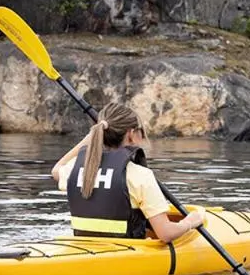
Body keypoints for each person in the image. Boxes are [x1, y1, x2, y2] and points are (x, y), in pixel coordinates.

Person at [50, 102, 205, 243]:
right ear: (131, 134)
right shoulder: (139, 175)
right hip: (126, 255)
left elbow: (56, 170)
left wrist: (90, 138)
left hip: (86, 251)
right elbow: (165, 234)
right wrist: (189, 222)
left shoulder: (77, 170)